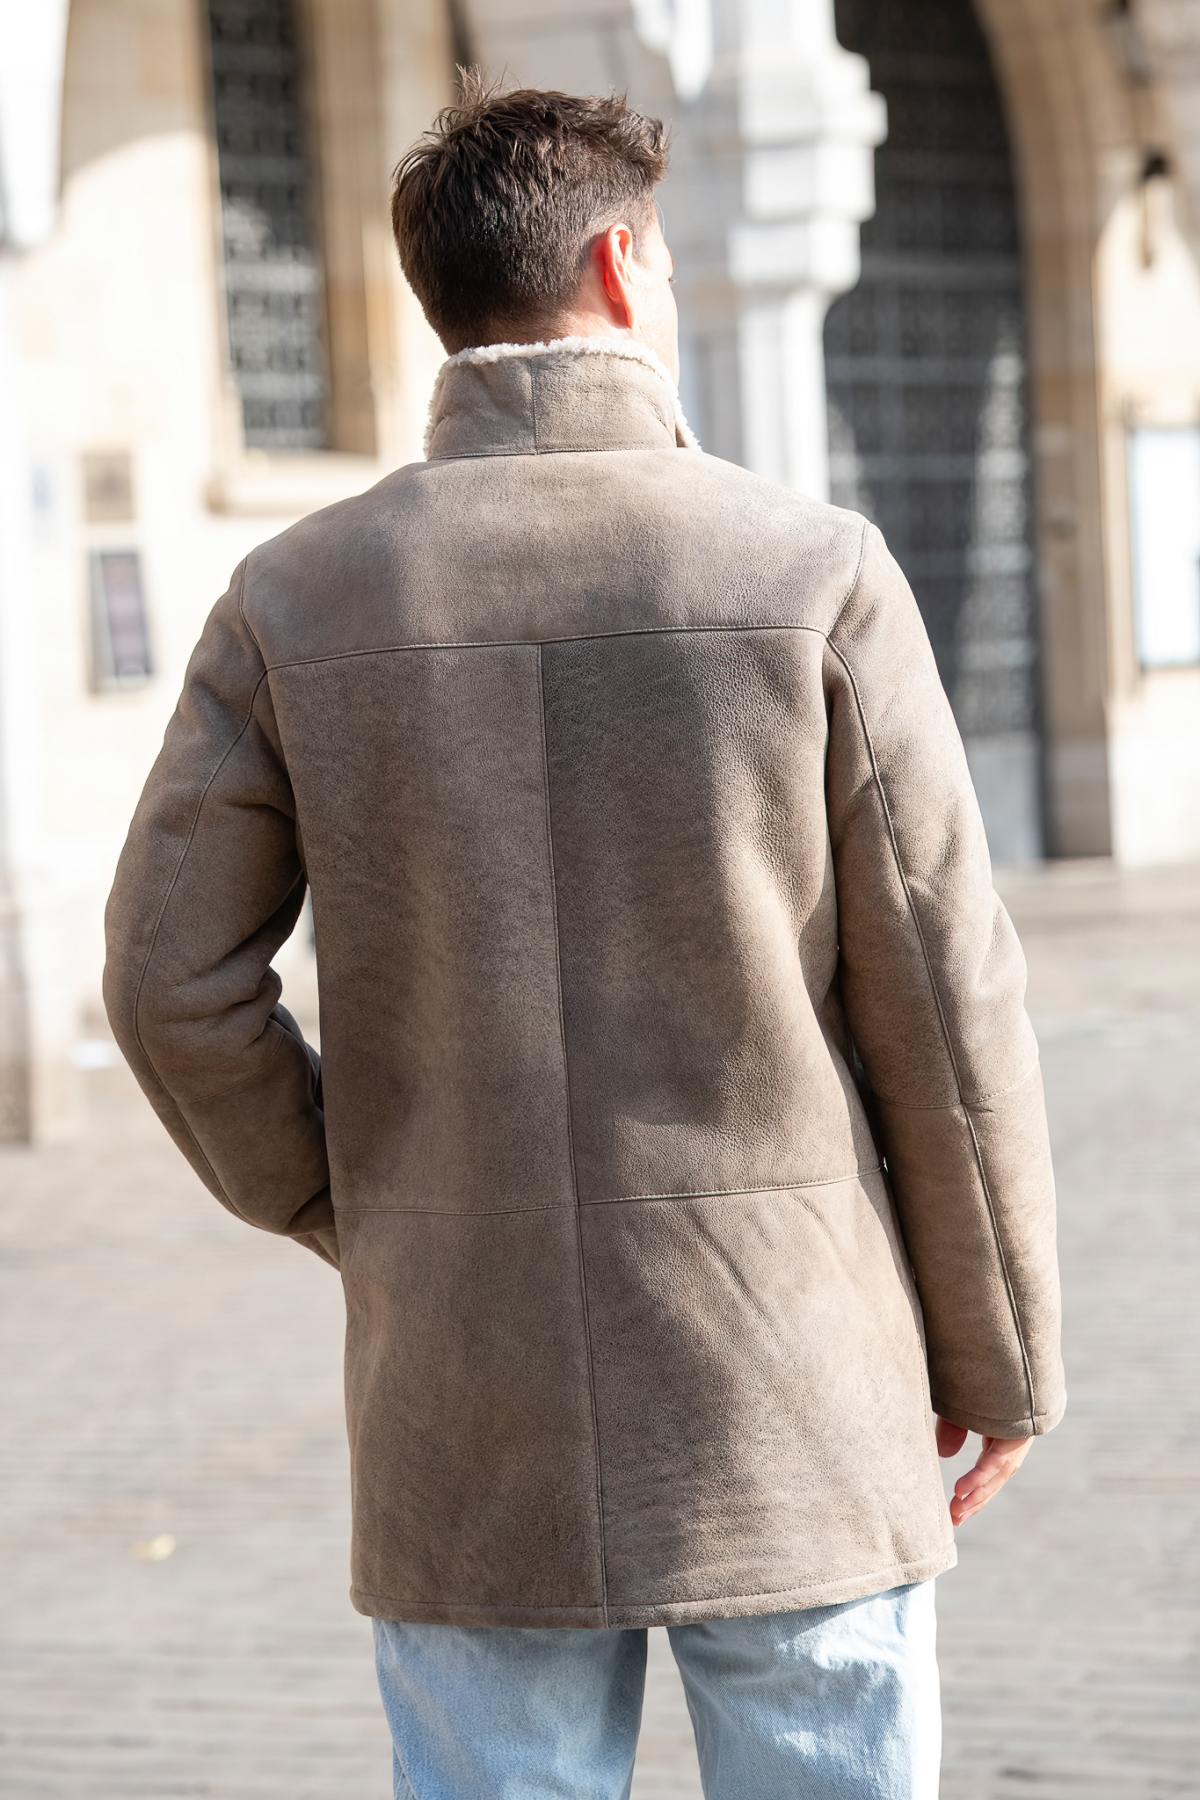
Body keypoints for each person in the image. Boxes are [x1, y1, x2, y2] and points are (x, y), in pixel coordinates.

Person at [102, 66, 1066, 1800]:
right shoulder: (811, 572)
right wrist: (1003, 1354)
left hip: (466, 1398)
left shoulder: (291, 599)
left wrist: (359, 1209)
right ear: (623, 266)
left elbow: (168, 986)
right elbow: (946, 992)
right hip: (792, 1385)